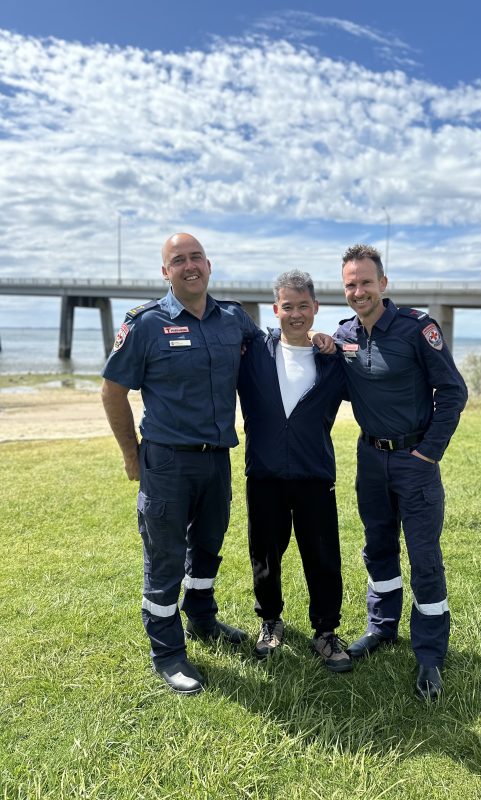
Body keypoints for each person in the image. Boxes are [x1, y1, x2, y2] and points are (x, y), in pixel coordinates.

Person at [101, 233, 262, 695]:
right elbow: (113, 389)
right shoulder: (146, 324)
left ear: (209, 265)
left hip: (217, 460)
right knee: (165, 557)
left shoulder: (233, 318)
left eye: (196, 258)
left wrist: (317, 337)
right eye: (178, 260)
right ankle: (168, 653)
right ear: (165, 272)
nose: (189, 266)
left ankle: (203, 620)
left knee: (208, 548)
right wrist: (132, 456)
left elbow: (271, 351)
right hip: (167, 462)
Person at [335, 244, 468, 700]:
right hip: (370, 459)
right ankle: (382, 627)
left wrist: (430, 452)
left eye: (365, 282)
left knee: (424, 557)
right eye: (350, 284)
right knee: (377, 548)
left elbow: (452, 391)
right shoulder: (344, 335)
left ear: (383, 284)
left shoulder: (417, 328)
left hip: (415, 462)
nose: (358, 291)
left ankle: (430, 654)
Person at [237, 270, 352, 672]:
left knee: (322, 557)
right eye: (288, 306)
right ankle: (270, 621)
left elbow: (375, 377)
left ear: (316, 308)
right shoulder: (252, 353)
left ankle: (325, 632)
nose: (296, 314)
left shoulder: (333, 361)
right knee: (265, 556)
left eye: (304, 306)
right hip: (264, 475)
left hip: (314, 475)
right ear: (276, 309)